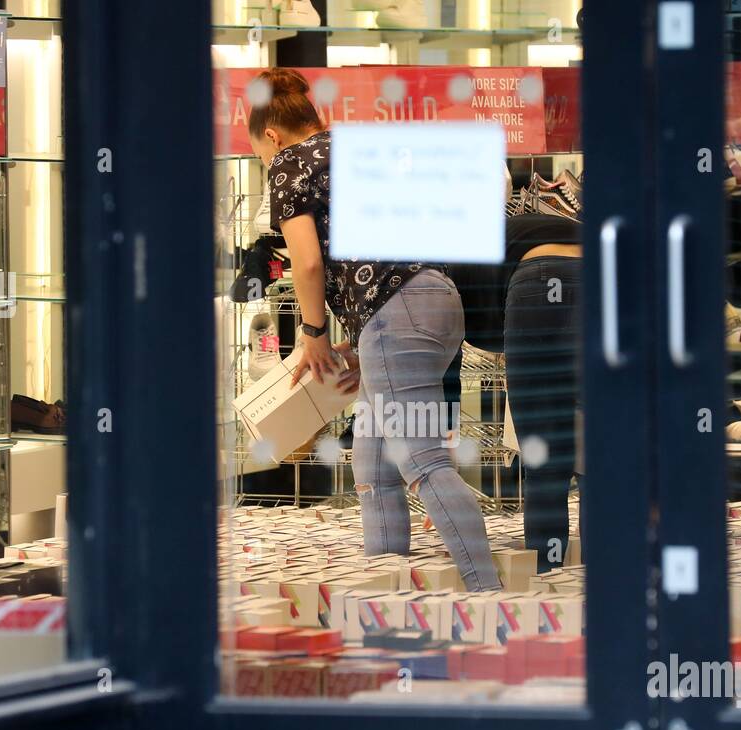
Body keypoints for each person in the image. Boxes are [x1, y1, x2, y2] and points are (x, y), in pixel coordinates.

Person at [247, 68, 500, 591]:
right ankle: (387, 594)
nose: (265, 163)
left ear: (271, 136)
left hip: (396, 311)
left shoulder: (290, 164)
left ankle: (488, 595)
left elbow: (308, 264)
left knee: (422, 461)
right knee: (374, 460)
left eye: (259, 155)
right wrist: (367, 339)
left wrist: (313, 333)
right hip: (435, 300)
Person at [447, 213, 582, 572]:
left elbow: (446, 362)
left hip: (536, 279)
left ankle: (548, 578)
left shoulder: (439, 284)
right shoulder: (480, 244)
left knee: (545, 461)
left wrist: (442, 442)